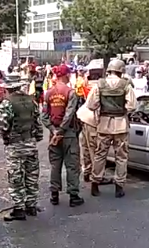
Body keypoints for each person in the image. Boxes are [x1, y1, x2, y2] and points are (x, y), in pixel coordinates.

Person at [0, 78, 43, 221]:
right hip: (30, 143)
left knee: (16, 176)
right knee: (31, 175)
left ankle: (19, 208)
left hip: (15, 145)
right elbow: (37, 123)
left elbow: (1, 126)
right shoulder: (32, 101)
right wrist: (36, 137)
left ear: (7, 88)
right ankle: (31, 205)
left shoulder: (7, 103)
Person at [87, 59, 136, 198]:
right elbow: (132, 105)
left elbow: (91, 105)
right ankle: (119, 186)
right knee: (121, 157)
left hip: (103, 124)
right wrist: (123, 109)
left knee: (100, 155)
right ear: (121, 70)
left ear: (109, 70)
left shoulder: (99, 84)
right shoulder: (126, 85)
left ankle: (95, 184)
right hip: (121, 125)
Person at [42, 64, 84, 207]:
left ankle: (54, 195)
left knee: (55, 165)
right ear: (66, 75)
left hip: (53, 135)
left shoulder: (48, 93)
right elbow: (69, 113)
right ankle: (73, 195)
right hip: (68, 134)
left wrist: (53, 131)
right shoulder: (71, 92)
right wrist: (61, 131)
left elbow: (44, 115)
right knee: (72, 165)